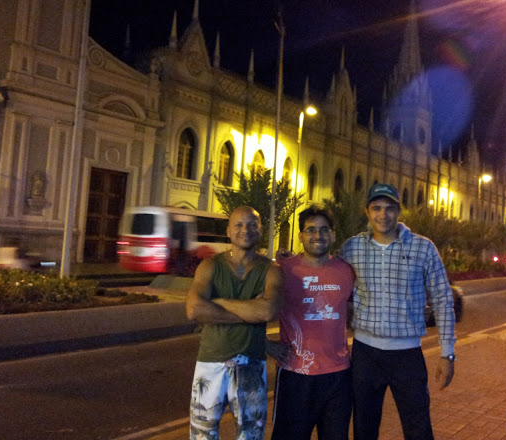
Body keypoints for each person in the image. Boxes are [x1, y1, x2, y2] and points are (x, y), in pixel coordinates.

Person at [339, 183, 456, 440]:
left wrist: (447, 354)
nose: (383, 214)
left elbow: (442, 299)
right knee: (364, 429)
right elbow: (327, 274)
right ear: (367, 211)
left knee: (418, 429)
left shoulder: (423, 248)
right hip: (365, 354)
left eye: (390, 208)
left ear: (399, 211)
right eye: (376, 208)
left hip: (407, 355)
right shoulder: (352, 248)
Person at [186, 206, 284, 440]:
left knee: (251, 436)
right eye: (238, 225)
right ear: (228, 231)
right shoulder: (210, 266)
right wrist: (250, 312)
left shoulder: (272, 270)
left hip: (252, 363)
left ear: (260, 230)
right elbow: (194, 309)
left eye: (252, 224)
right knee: (202, 435)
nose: (245, 230)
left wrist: (218, 303)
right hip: (210, 363)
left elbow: (268, 311)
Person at [268, 206, 355, 440]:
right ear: (300, 236)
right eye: (311, 230)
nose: (318, 235)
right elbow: (255, 307)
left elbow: (352, 311)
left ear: (333, 235)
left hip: (338, 377)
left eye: (324, 229)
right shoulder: (283, 271)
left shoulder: (346, 271)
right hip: (295, 377)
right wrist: (266, 345)